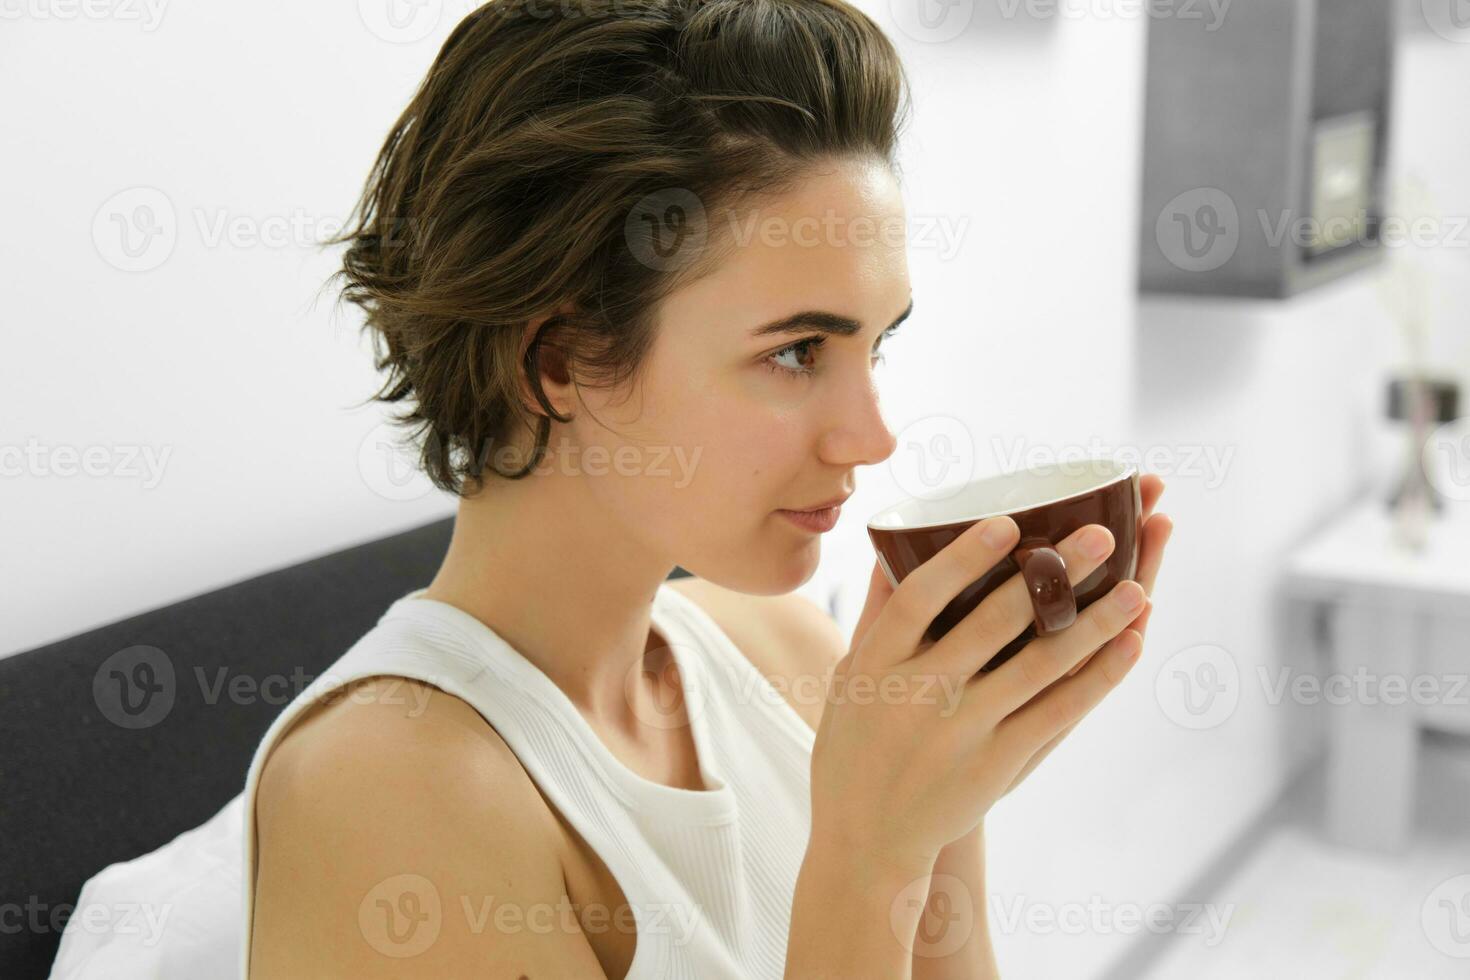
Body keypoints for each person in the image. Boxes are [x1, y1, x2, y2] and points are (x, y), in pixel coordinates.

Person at [243, 1, 1174, 977]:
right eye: (796, 350)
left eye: (876, 343)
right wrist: (867, 858)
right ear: (560, 363)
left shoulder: (789, 654)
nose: (872, 433)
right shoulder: (386, 789)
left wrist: (952, 802)